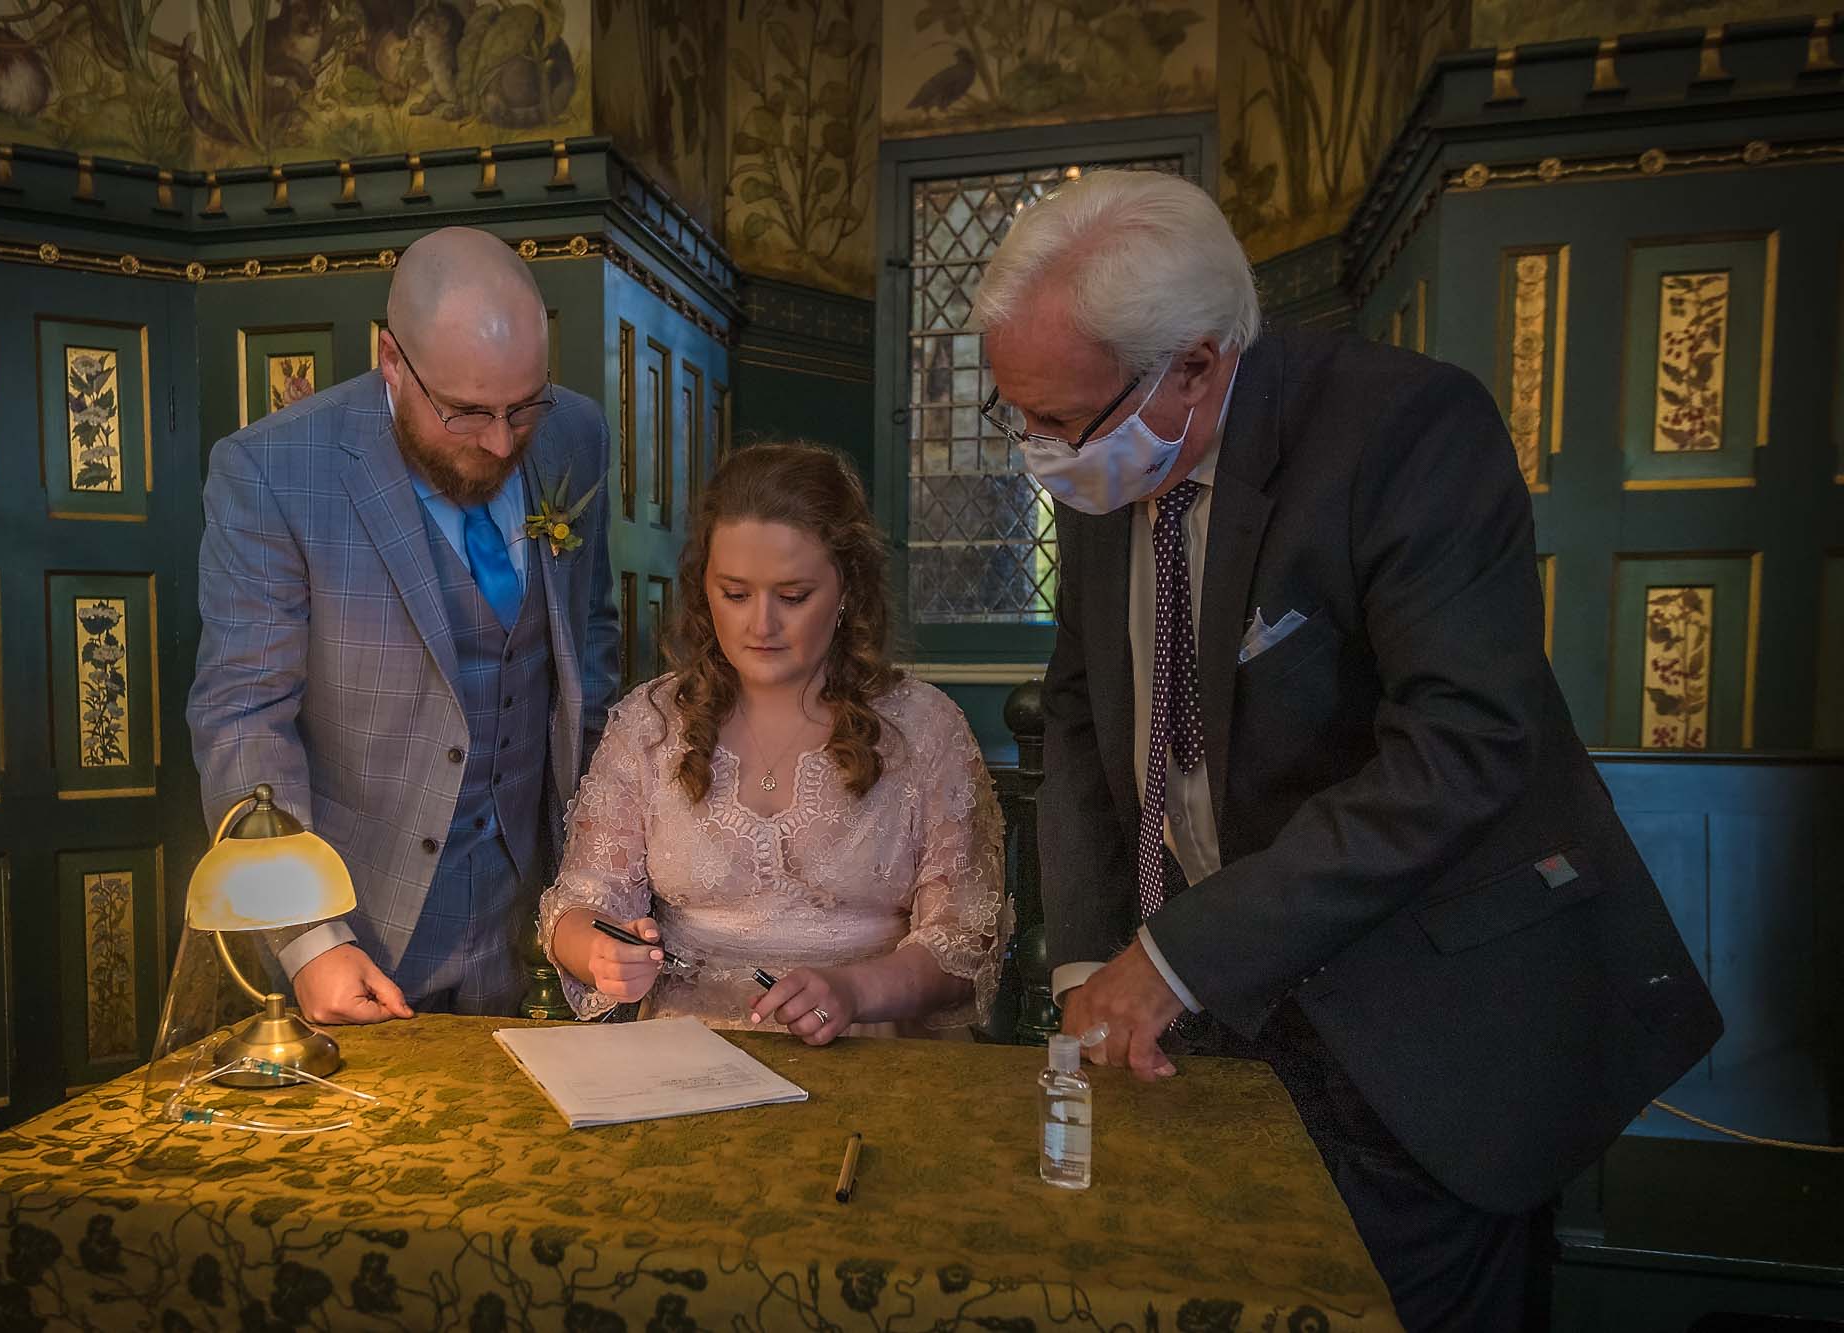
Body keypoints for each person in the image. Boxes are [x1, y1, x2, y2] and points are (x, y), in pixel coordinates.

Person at [972, 170, 1722, 1330]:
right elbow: (1077, 714)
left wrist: (1175, 953)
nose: (1043, 454)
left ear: (1197, 364)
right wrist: (1086, 956)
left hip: (1419, 1030)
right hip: (1207, 1022)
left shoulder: (1403, 431)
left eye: (1065, 421)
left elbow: (1461, 750)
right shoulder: (1109, 468)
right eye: (1015, 416)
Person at [187, 226, 620, 1024]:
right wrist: (309, 942)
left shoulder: (576, 436)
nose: (499, 441)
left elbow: (590, 651)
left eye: (521, 409)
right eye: (466, 413)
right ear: (393, 362)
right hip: (363, 941)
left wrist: (599, 873)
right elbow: (244, 720)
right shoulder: (275, 473)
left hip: (538, 940)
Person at [540, 442, 1009, 1041]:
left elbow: (965, 945)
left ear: (847, 591)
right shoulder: (650, 723)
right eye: (735, 595)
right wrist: (601, 954)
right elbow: (578, 905)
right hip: (688, 1063)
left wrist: (855, 990)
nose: (760, 625)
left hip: (879, 1058)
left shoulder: (923, 729)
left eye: (792, 597)